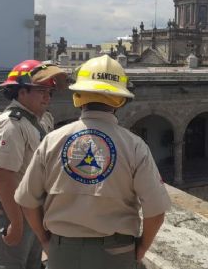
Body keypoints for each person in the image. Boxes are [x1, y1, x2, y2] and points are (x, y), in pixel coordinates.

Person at [15, 55, 171, 269]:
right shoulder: (135, 146)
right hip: (117, 253)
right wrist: (141, 248)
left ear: (78, 96)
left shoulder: (52, 140)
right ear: (120, 100)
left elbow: (26, 200)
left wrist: (44, 240)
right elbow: (156, 211)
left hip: (62, 252)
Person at [0, 60, 67, 269]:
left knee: (31, 263)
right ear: (21, 92)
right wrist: (16, 223)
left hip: (32, 210)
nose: (47, 97)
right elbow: (4, 176)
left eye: (50, 92)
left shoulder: (41, 119)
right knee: (7, 263)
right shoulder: (11, 125)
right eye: (41, 90)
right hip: (10, 211)